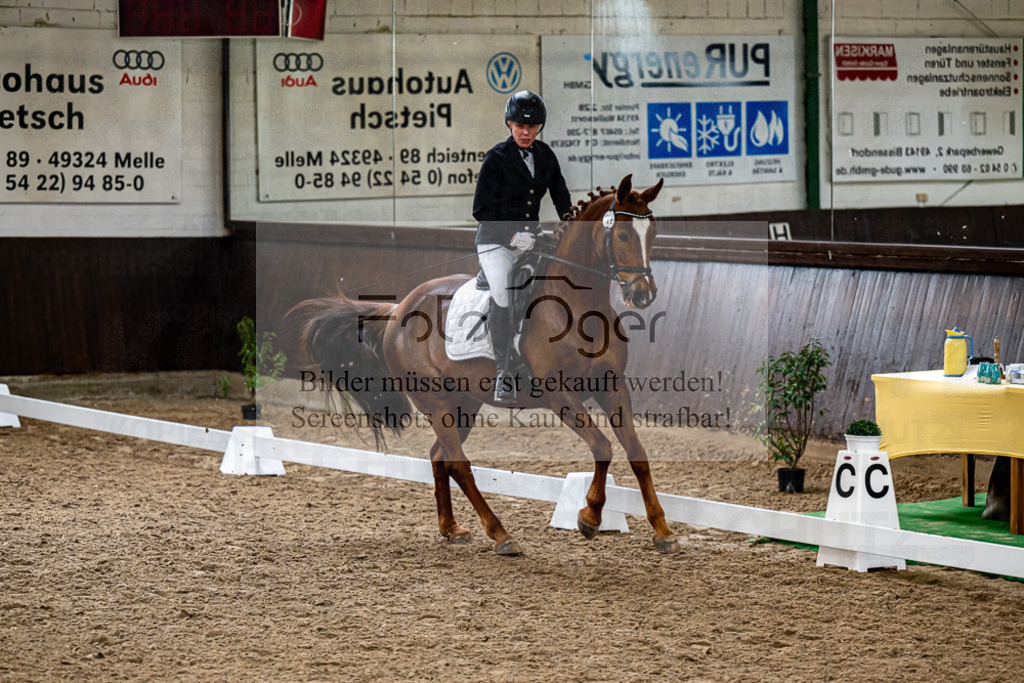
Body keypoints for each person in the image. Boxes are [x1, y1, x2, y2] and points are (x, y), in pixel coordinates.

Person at [473, 89, 572, 404]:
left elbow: (561, 197)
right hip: (496, 242)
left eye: (532, 127)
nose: (526, 132)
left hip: (533, 240)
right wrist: (512, 237)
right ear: (509, 124)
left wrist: (570, 225)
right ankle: (503, 370)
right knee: (504, 291)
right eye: (519, 126)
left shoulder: (545, 156)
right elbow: (481, 210)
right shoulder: (495, 159)